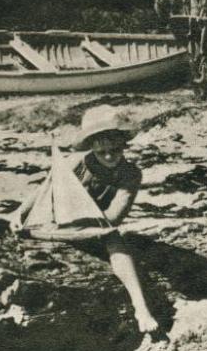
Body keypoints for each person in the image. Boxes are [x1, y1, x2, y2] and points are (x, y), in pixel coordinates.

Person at [69, 104, 159, 334]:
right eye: (101, 152)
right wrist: (19, 215)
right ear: (91, 148)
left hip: (97, 226)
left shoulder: (130, 173)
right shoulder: (77, 163)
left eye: (115, 149)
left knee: (116, 242)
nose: (109, 156)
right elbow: (47, 188)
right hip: (62, 221)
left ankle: (141, 308)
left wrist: (88, 222)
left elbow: (115, 216)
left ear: (124, 146)